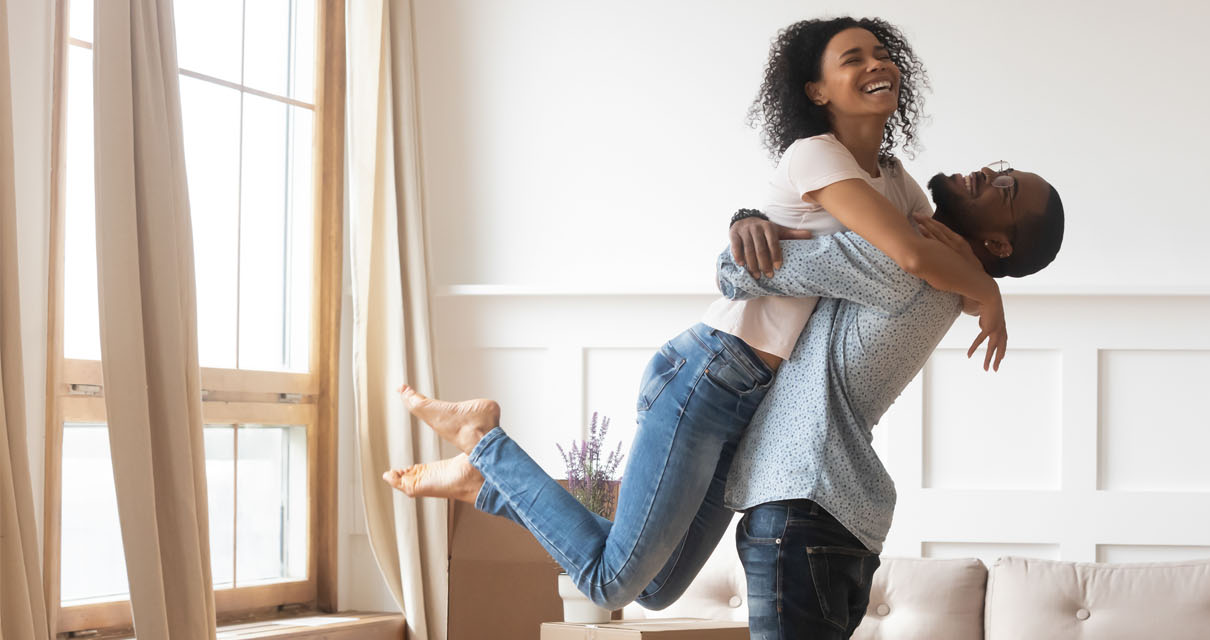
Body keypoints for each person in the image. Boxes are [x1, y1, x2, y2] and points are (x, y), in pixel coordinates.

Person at [386, 16, 1014, 613]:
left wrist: (972, 274)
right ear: (816, 90)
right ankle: (486, 446)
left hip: (752, 400)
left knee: (656, 589)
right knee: (609, 586)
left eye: (882, 54)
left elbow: (938, 249)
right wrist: (989, 295)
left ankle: (485, 483)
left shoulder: (893, 178)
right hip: (709, 373)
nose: (878, 64)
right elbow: (910, 254)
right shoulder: (816, 155)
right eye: (854, 58)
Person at [391, 162, 1065, 640]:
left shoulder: (906, 260)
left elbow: (737, 269)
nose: (985, 173)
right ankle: (489, 475)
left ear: (998, 243)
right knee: (646, 587)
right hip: (817, 507)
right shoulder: (941, 274)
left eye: (1003, 188)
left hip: (806, 508)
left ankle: (488, 458)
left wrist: (750, 227)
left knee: (624, 585)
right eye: (999, 168)